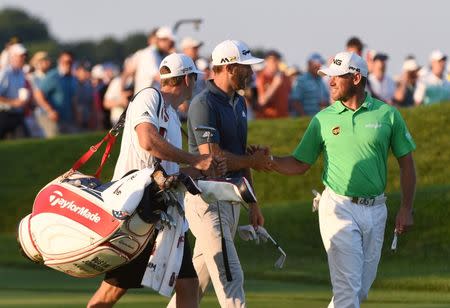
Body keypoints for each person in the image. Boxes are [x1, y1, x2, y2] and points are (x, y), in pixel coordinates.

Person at [268, 52, 416, 308]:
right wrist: (268, 161)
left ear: (356, 78)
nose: (331, 82)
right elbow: (300, 163)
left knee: (358, 291)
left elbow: (407, 165)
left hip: (376, 210)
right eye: (329, 77)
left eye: (336, 77)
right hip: (338, 207)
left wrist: (405, 208)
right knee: (348, 289)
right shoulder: (323, 119)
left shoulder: (387, 115)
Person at [87, 53, 224, 308]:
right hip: (138, 212)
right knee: (111, 292)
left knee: (188, 283)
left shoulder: (171, 114)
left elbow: (171, 172)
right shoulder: (149, 97)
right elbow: (147, 141)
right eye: (195, 79)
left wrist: (206, 169)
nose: (196, 85)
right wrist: (195, 160)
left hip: (162, 214)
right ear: (186, 79)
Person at [168, 39, 271, 308]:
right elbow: (213, 159)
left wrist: (253, 202)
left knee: (194, 289)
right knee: (231, 279)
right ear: (228, 68)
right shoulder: (204, 104)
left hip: (231, 200)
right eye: (245, 67)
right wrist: (252, 160)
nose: (251, 73)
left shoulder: (239, 103)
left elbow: (239, 154)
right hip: (207, 201)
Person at [33, 50, 78, 137]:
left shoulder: (72, 79)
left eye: (70, 62)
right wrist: (50, 110)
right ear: (60, 62)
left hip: (66, 119)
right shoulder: (53, 76)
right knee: (55, 139)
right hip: (50, 118)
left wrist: (76, 115)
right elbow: (38, 94)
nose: (68, 64)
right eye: (65, 62)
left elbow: (73, 99)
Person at [0, 43, 30, 139]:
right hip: (3, 114)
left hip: (17, 114)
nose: (23, 58)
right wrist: (13, 102)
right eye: (20, 56)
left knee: (25, 141)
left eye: (24, 56)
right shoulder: (5, 73)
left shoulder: (21, 73)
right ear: (12, 57)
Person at [255, 50, 291, 118]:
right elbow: (262, 101)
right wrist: (274, 85)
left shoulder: (284, 77)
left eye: (278, 60)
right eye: (274, 60)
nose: (276, 63)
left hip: (283, 118)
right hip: (267, 119)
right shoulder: (261, 78)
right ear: (266, 62)